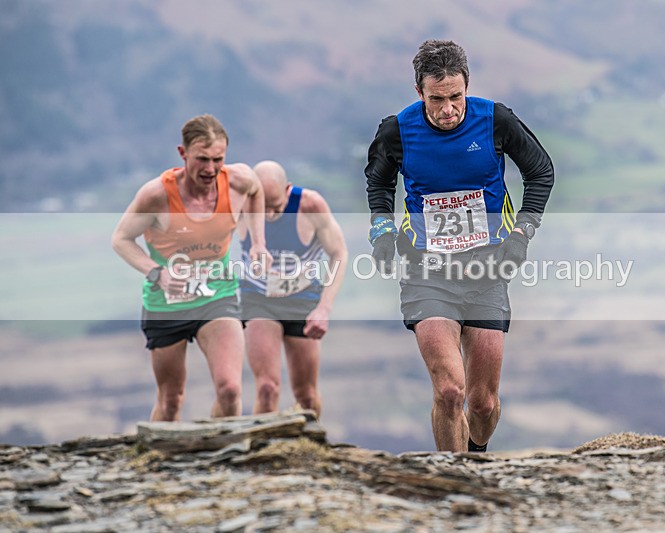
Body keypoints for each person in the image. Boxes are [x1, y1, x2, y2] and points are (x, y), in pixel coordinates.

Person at [365, 40, 554, 452]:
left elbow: (540, 172)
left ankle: (476, 453)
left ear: (466, 86)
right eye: (437, 99)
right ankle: (455, 487)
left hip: (486, 272)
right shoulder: (398, 130)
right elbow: (379, 182)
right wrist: (381, 230)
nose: (448, 109)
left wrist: (522, 233)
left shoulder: (495, 120)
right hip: (426, 272)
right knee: (450, 391)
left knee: (482, 404)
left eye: (456, 97)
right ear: (420, 92)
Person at [112, 114, 268, 422]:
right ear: (183, 154)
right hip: (166, 304)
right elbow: (121, 239)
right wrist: (156, 272)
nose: (210, 169)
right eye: (202, 159)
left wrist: (258, 243)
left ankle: (224, 457)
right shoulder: (156, 195)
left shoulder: (238, 180)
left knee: (230, 390)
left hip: (217, 296)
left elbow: (256, 191)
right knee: (171, 400)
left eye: (218, 159)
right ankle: (157, 466)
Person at [238, 160, 348, 418]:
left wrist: (324, 307)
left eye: (275, 206)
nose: (269, 214)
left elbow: (339, 253)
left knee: (306, 395)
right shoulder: (240, 204)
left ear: (287, 189)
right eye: (261, 207)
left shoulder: (310, 205)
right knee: (267, 388)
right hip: (259, 299)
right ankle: (261, 451)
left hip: (302, 300)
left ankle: (312, 448)